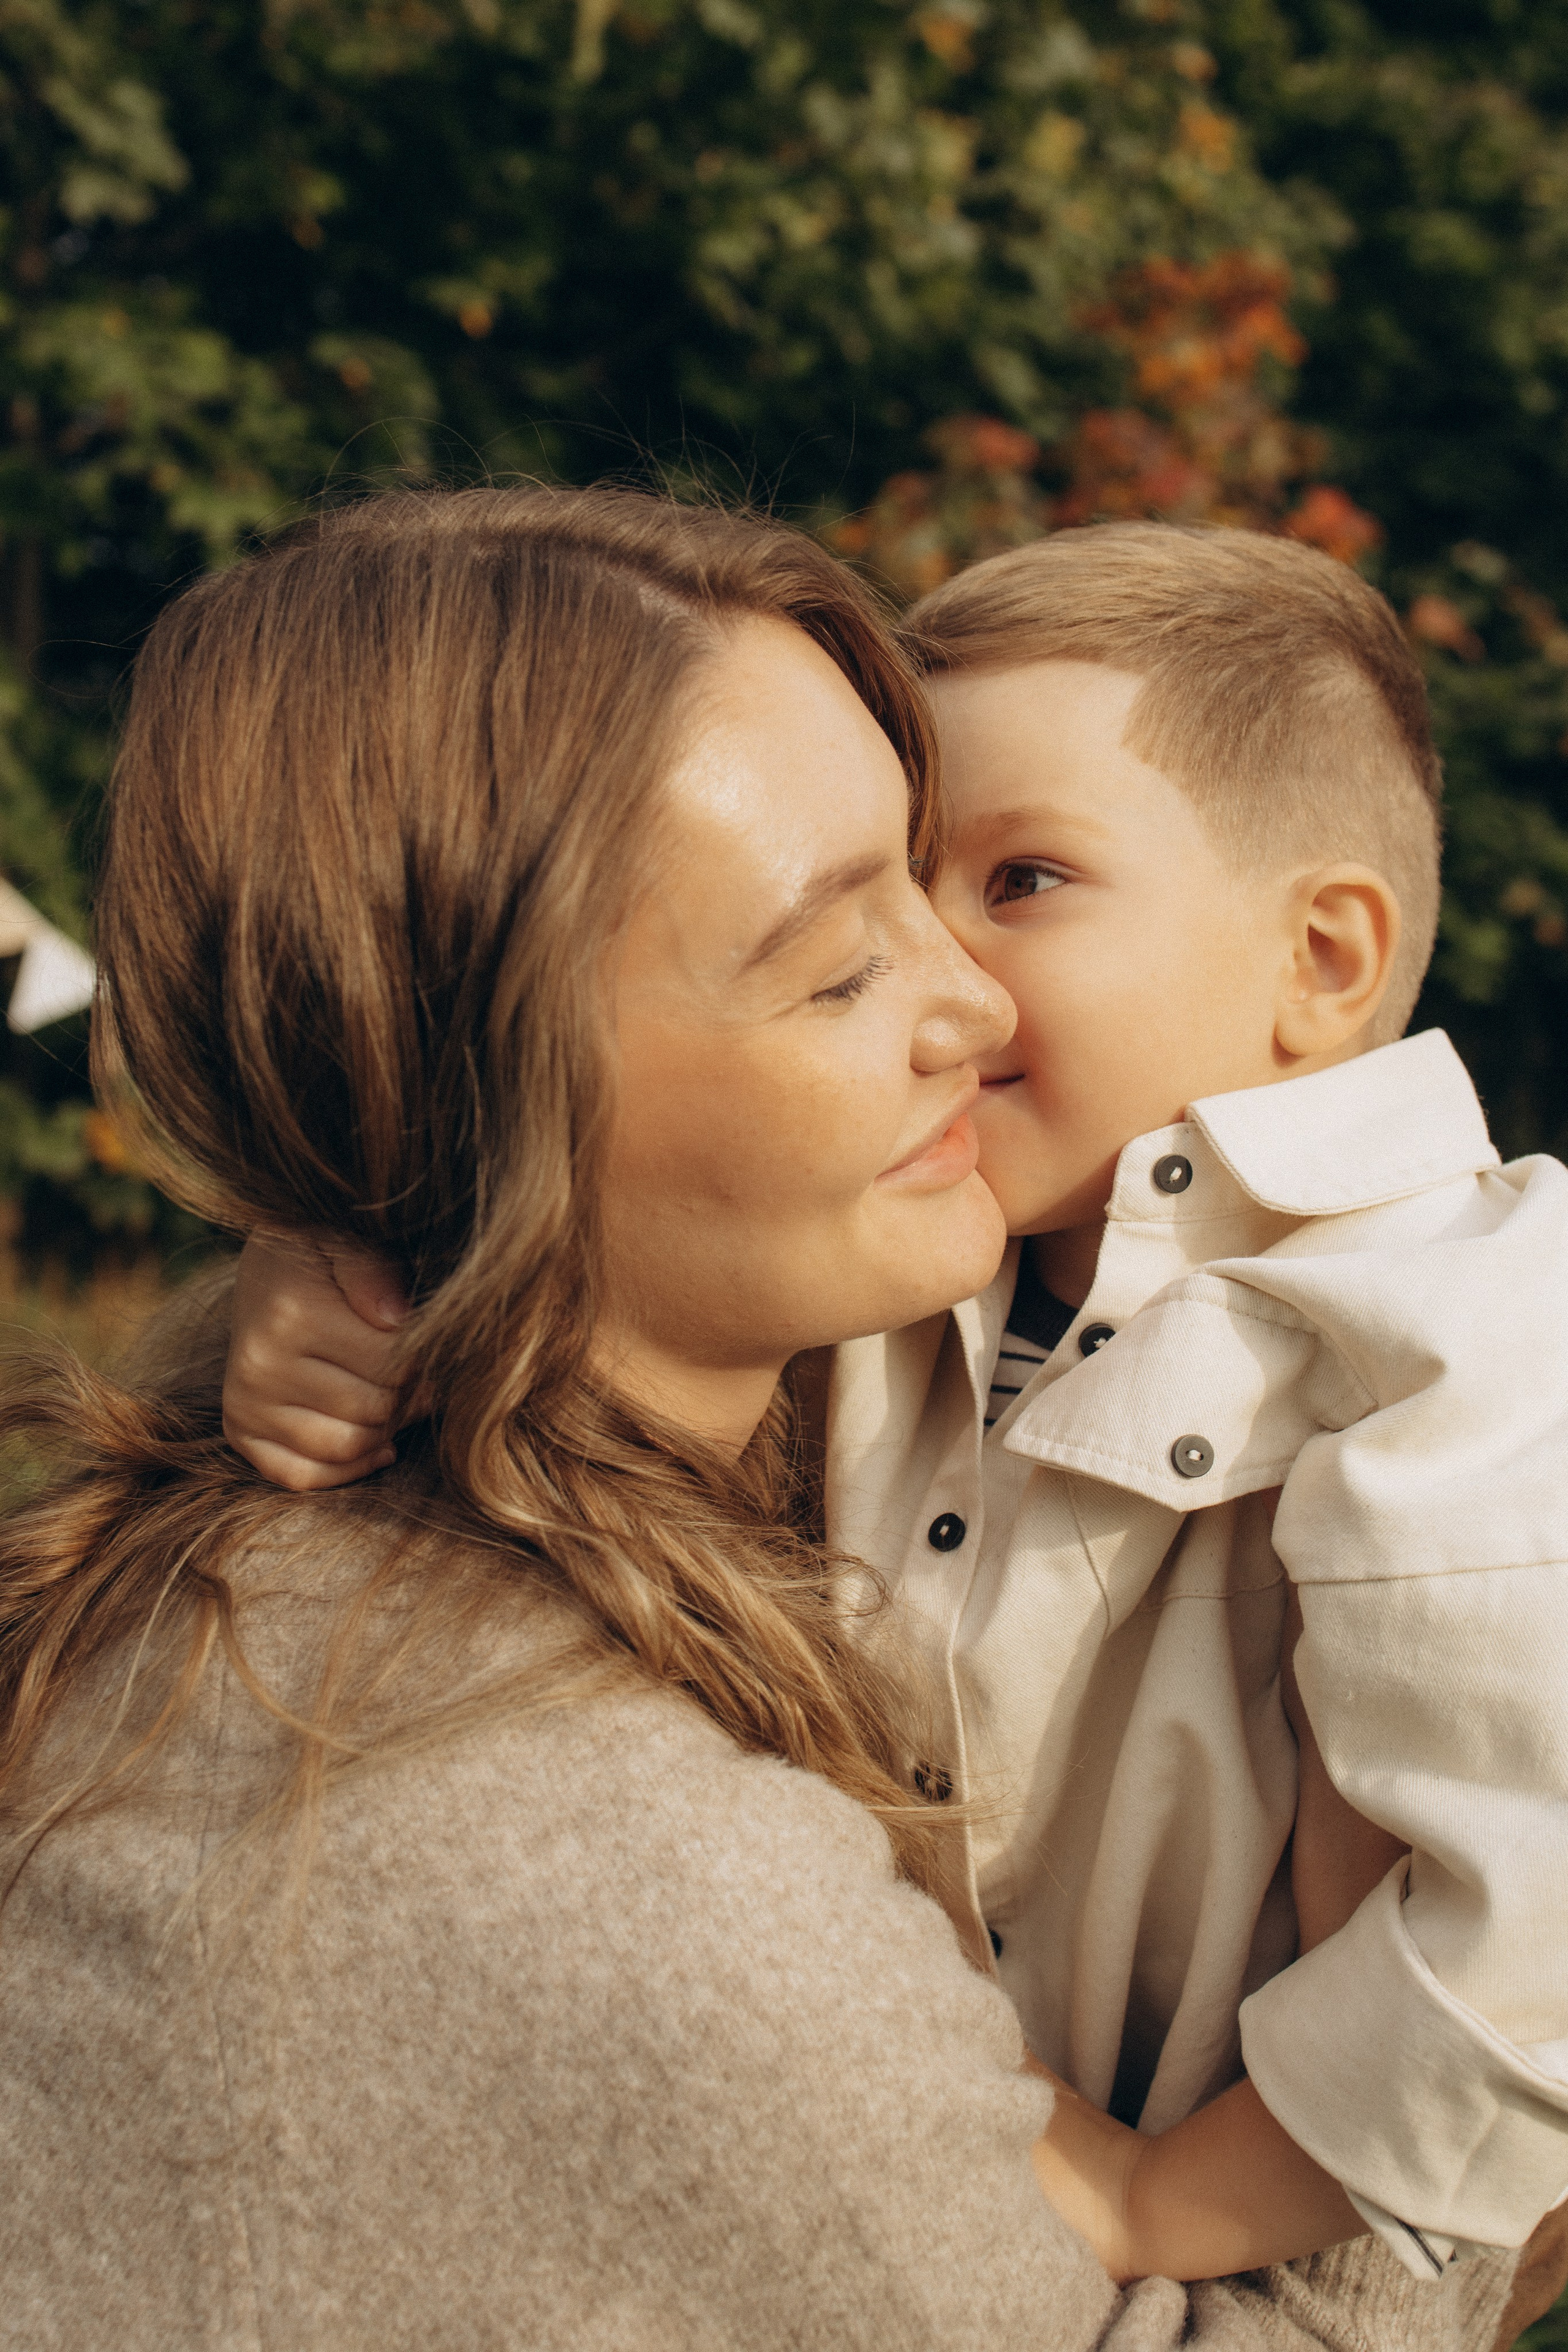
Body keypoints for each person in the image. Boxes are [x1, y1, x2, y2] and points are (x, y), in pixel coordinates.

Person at [2, 484, 1507, 2351]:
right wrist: (1454, 2190)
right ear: (496, 1094)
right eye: (845, 955)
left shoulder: (292, 1573)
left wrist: (343, 1257)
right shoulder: (608, 1865)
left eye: (978, 879)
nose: (976, 990)